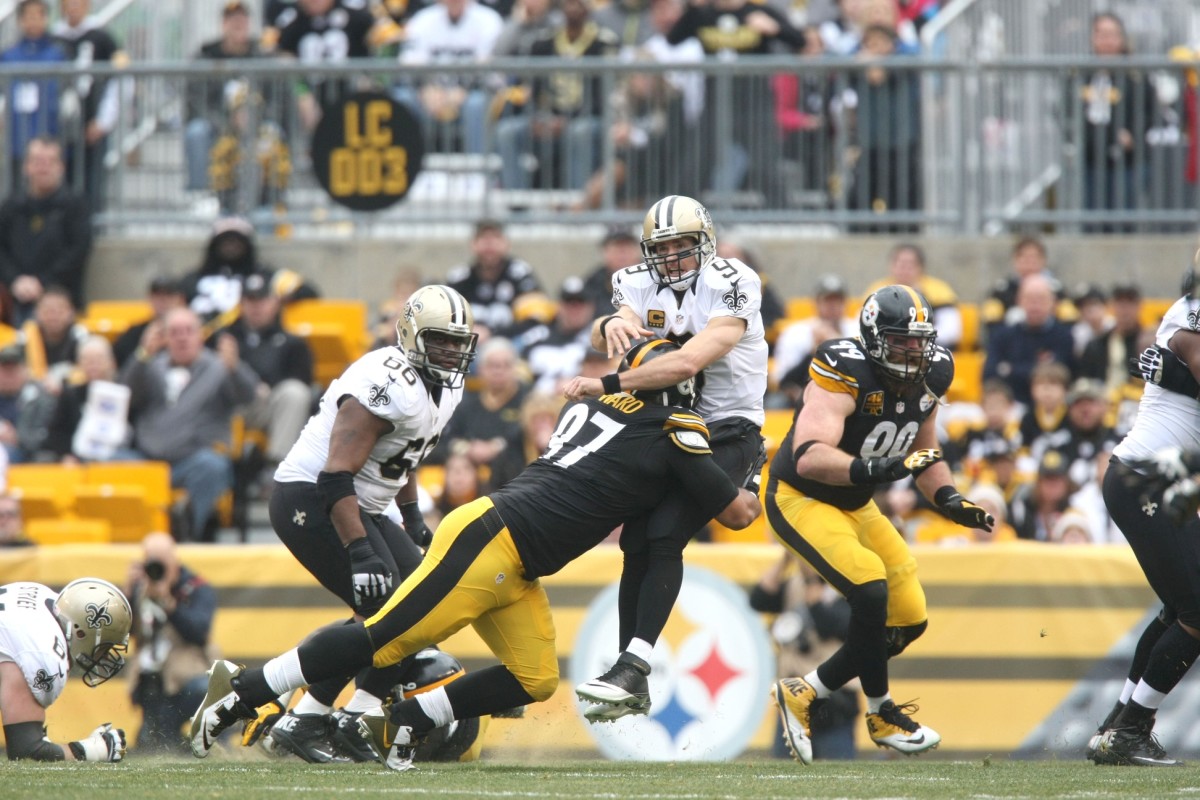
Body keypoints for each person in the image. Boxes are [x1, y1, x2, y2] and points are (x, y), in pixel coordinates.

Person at [188, 337, 762, 770]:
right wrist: (752, 471)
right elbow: (735, 513)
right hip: (494, 540)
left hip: (514, 556)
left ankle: (411, 716)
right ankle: (245, 693)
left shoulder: (591, 409)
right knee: (383, 634)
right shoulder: (673, 428)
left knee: (534, 679)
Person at [765, 284, 994, 764]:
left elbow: (924, 447)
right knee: (869, 587)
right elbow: (808, 457)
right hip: (799, 497)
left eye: (919, 341)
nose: (913, 352)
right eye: (901, 341)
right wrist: (870, 470)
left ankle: (806, 690)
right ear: (873, 338)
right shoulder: (843, 370)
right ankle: (882, 712)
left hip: (856, 502)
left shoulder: (934, 373)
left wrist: (950, 499)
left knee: (908, 618)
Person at [562, 194, 767, 720]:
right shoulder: (634, 280)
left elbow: (689, 361)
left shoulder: (734, 280)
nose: (673, 256)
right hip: (669, 424)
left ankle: (634, 665)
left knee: (666, 530)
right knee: (636, 536)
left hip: (728, 426)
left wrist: (603, 382)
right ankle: (628, 676)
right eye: (664, 247)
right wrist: (608, 326)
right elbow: (618, 322)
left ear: (706, 243)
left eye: (683, 245)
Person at [255, 284, 478, 763]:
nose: (452, 351)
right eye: (440, 340)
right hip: (313, 499)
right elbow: (334, 476)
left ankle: (333, 715)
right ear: (411, 335)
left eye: (459, 342)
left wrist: (415, 517)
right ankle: (305, 710)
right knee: (388, 611)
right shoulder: (385, 383)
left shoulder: (445, 386)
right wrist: (360, 550)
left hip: (364, 503)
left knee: (425, 603)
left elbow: (408, 452)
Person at [1086, 269, 1200, 766]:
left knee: (1183, 610)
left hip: (1162, 481)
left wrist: (1176, 379)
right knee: (1197, 612)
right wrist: (1179, 376)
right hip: (1144, 480)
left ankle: (1119, 723)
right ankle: (1130, 728)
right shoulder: (1190, 320)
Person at [120, 307, 259, 541]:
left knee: (213, 465)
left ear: (200, 335)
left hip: (192, 460)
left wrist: (235, 367)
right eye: (174, 332)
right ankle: (133, 534)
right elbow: (125, 395)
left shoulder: (218, 367)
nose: (182, 337)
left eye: (188, 331)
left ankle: (187, 529)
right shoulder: (152, 365)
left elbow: (248, 395)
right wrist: (141, 356)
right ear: (164, 337)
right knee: (110, 460)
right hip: (149, 462)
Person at [0, 576, 131, 762]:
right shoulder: (42, 653)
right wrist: (93, 750)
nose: (102, 657)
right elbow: (25, 751)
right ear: (80, 632)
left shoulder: (41, 595)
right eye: (103, 648)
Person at [126, 532, 218, 754]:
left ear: (174, 560)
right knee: (153, 748)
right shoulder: (141, 589)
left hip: (189, 677)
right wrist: (128, 595)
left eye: (162, 561)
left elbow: (199, 632)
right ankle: (176, 742)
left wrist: (169, 602)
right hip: (153, 681)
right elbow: (124, 633)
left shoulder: (196, 588)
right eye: (152, 561)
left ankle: (216, 744)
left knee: (206, 693)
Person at [214, 271, 313, 471]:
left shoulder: (292, 343)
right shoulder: (223, 337)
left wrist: (265, 387)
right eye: (250, 300)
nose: (256, 306)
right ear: (241, 303)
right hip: (230, 405)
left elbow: (303, 381)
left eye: (262, 299)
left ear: (275, 302)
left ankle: (277, 466)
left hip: (268, 406)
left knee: (295, 393)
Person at [0, 136, 93, 326]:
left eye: (50, 161)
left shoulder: (75, 208)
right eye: (37, 161)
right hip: (13, 302)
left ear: (62, 167)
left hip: (62, 303)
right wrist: (15, 281)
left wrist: (42, 283)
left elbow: (78, 252)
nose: (43, 168)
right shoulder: (11, 207)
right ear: (26, 166)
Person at [51, 0, 123, 211]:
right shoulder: (54, 38)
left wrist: (103, 120)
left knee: (92, 182)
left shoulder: (104, 38)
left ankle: (93, 230)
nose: (73, 5)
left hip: (92, 124)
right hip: (59, 127)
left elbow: (121, 79)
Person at [1, 0, 66, 192]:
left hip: (48, 131)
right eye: (28, 16)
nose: (33, 21)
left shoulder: (58, 54)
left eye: (38, 16)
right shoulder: (8, 55)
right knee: (16, 186)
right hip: (16, 134)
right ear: (20, 20)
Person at [446, 219, 542, 334]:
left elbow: (536, 317)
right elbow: (444, 318)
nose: (489, 243)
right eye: (483, 238)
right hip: (466, 341)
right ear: (473, 244)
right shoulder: (459, 278)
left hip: (510, 341)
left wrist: (493, 334)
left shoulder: (520, 274)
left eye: (495, 237)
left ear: (506, 243)